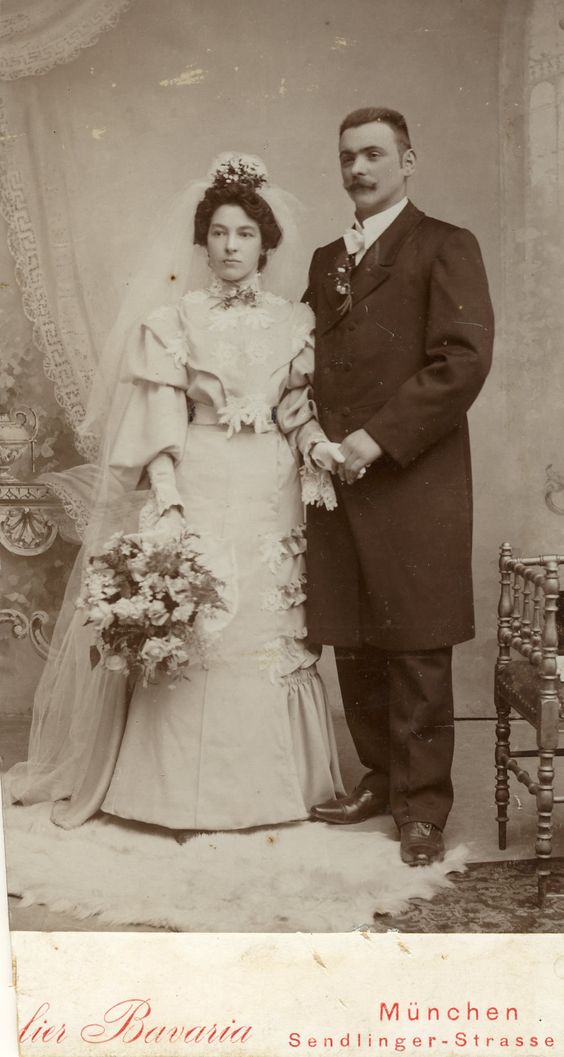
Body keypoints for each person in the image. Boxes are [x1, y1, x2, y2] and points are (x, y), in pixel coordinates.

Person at [4, 153, 344, 832]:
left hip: (271, 488)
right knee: (199, 616)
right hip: (202, 477)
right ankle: (167, 790)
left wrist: (316, 447)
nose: (229, 246)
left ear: (266, 242)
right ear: (202, 240)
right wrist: (168, 495)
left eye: (244, 233)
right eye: (218, 232)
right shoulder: (176, 320)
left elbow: (295, 407)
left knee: (265, 621)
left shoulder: (292, 321)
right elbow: (161, 420)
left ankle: (278, 786)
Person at [304, 108, 494, 865]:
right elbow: (309, 359)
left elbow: (462, 361)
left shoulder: (447, 244)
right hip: (339, 475)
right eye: (348, 156)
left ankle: (422, 807)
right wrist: (317, 439)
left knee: (415, 640)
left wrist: (374, 438)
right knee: (354, 637)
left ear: (408, 161)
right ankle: (381, 777)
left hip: (414, 474)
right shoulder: (326, 259)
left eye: (375, 154)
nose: (359, 168)